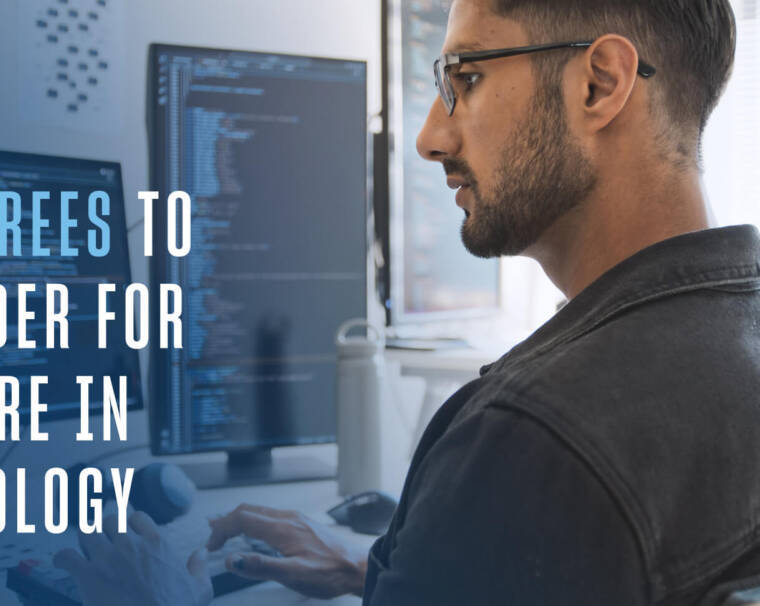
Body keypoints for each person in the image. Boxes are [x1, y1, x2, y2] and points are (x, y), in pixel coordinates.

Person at [52, 0, 760, 604]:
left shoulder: (531, 438)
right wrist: (386, 573)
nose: (429, 137)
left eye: (468, 79)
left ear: (599, 86)